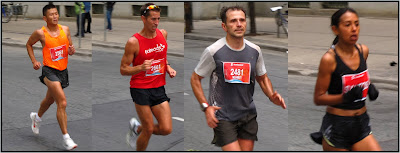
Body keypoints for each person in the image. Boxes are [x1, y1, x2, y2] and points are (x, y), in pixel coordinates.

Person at [190, 6, 286, 151]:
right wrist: (206, 107)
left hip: (248, 114)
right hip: (223, 116)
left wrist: (271, 96)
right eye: (233, 21)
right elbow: (195, 79)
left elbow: (262, 77)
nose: (239, 24)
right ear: (224, 26)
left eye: (242, 20)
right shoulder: (214, 51)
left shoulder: (254, 50)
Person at [311, 8, 381, 151]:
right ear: (335, 29)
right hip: (338, 127)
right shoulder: (329, 59)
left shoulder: (363, 51)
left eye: (356, 24)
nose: (354, 29)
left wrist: (370, 87)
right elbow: (318, 98)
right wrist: (344, 98)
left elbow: (357, 77)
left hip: (361, 123)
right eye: (347, 25)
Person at [120, 3, 177, 151]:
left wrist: (168, 67)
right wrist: (140, 67)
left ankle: (137, 128)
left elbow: (161, 56)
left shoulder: (162, 33)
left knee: (166, 129)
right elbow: (123, 69)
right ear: (143, 19)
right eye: (153, 19)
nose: (156, 22)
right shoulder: (134, 42)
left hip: (158, 87)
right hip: (140, 88)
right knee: (149, 129)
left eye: (158, 19)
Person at [26, 4, 77, 150]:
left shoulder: (65, 29)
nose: (54, 16)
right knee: (62, 102)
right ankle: (66, 138)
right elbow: (29, 44)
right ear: (45, 18)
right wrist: (34, 61)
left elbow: (70, 49)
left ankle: (37, 118)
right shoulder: (40, 33)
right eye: (51, 14)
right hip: (49, 71)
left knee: (49, 100)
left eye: (56, 13)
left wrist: (71, 50)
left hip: (63, 71)